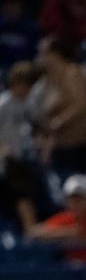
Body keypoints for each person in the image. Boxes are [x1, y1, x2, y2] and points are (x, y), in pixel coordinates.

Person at [29, 35, 86, 173]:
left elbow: (81, 103)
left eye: (44, 53)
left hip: (80, 147)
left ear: (55, 55)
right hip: (59, 148)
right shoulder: (47, 80)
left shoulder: (73, 72)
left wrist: (59, 121)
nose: (41, 57)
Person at [0, 60, 43, 234]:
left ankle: (31, 232)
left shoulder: (29, 104)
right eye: (26, 86)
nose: (28, 90)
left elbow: (38, 126)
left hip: (22, 161)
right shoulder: (3, 104)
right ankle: (31, 231)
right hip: (6, 163)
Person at [0, 0, 40, 74]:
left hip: (23, 74)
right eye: (6, 3)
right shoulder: (1, 26)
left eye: (13, 3)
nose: (9, 7)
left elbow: (33, 56)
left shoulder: (31, 28)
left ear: (21, 5)